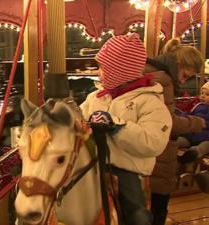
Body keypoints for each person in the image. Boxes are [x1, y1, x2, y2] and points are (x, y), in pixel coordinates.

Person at [80, 33, 172, 225]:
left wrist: (116, 126)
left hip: (126, 170)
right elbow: (78, 121)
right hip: (93, 165)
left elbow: (152, 142)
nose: (99, 73)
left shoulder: (149, 102)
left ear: (121, 71)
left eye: (103, 68)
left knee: (136, 214)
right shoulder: (96, 97)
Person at [144, 37, 206, 225]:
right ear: (178, 63)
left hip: (153, 150)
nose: (183, 80)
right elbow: (165, 121)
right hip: (159, 151)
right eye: (186, 75)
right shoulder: (163, 80)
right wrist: (195, 123)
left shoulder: (154, 73)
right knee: (158, 205)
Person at [177, 81, 209, 163]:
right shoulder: (198, 105)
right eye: (202, 93)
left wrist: (198, 120)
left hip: (205, 136)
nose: (203, 96)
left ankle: (194, 152)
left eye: (207, 94)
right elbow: (190, 112)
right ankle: (172, 145)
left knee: (206, 145)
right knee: (180, 140)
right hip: (191, 134)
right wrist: (184, 115)